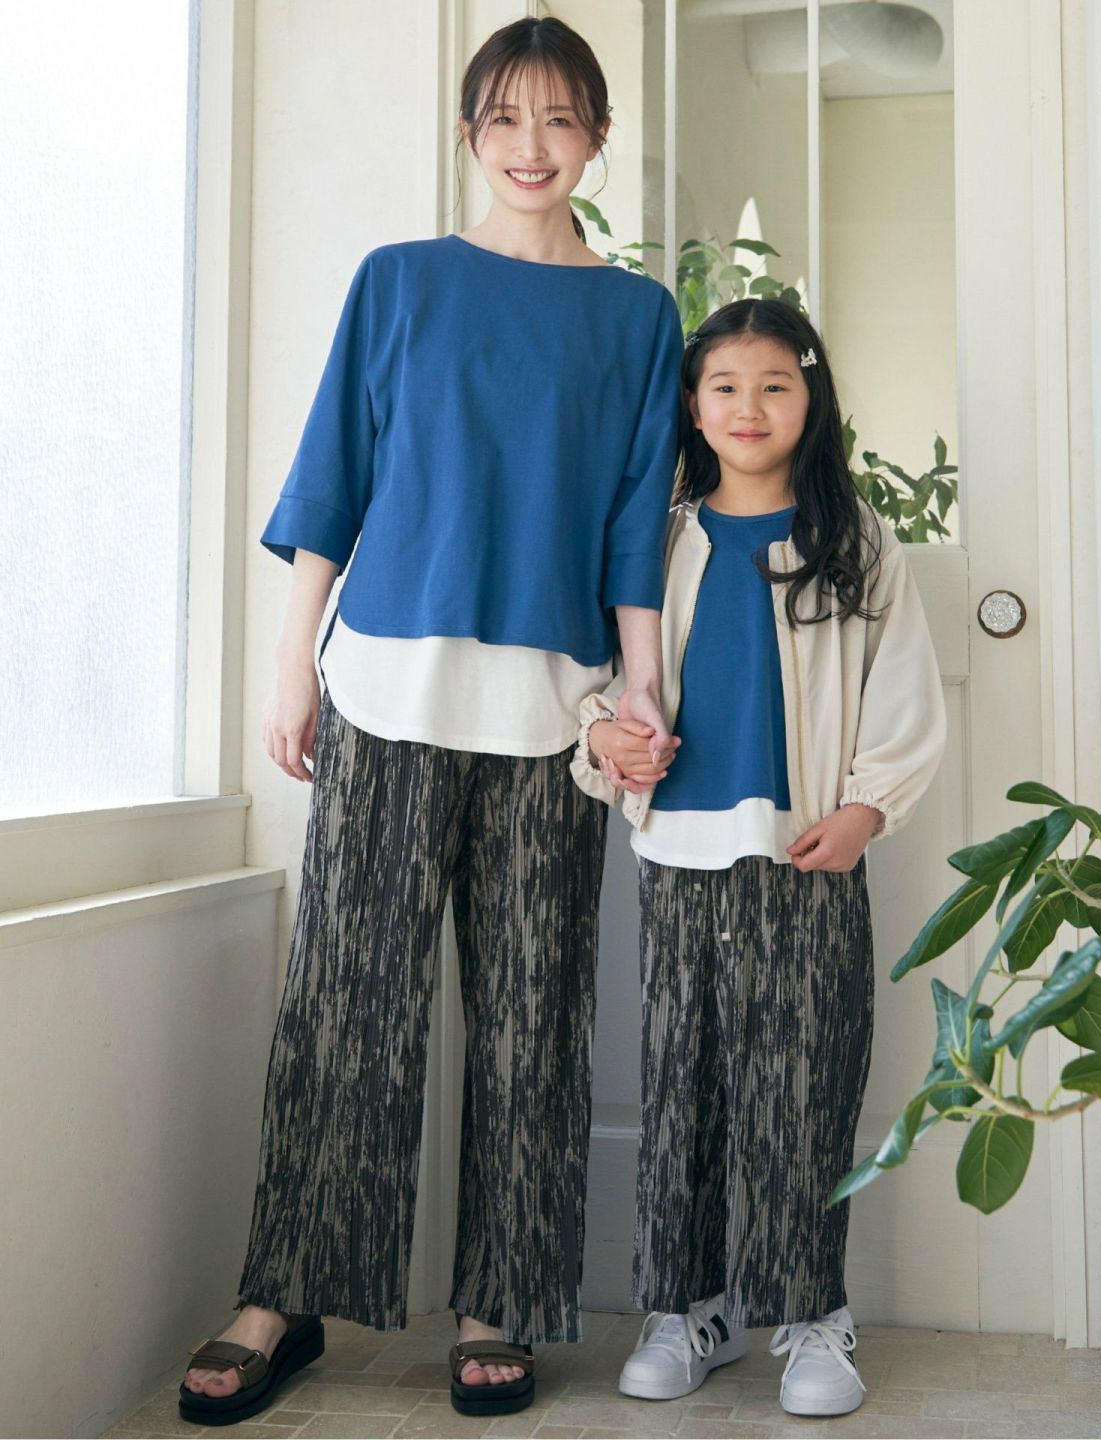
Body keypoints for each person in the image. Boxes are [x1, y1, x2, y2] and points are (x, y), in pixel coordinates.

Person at [178, 16, 683, 1427]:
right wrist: (291, 668)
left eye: (561, 119)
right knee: (346, 1005)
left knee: (535, 1020)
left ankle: (496, 1305)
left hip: (552, 714)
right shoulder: (397, 281)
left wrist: (643, 689)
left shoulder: (638, 317)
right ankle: (283, 1298)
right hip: (383, 693)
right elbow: (331, 480)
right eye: (506, 118)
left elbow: (636, 523)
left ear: (597, 138)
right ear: (470, 134)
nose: (533, 145)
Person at [570, 298, 946, 1418]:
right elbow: (597, 680)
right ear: (692, 407)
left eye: (775, 384)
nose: (749, 406)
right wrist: (603, 738)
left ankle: (812, 1315)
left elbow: (903, 688)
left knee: (805, 1086)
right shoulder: (656, 538)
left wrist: (869, 808)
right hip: (679, 854)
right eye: (725, 386)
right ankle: (686, 1308)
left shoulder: (853, 538)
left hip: (809, 852)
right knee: (680, 1085)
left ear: (811, 400)